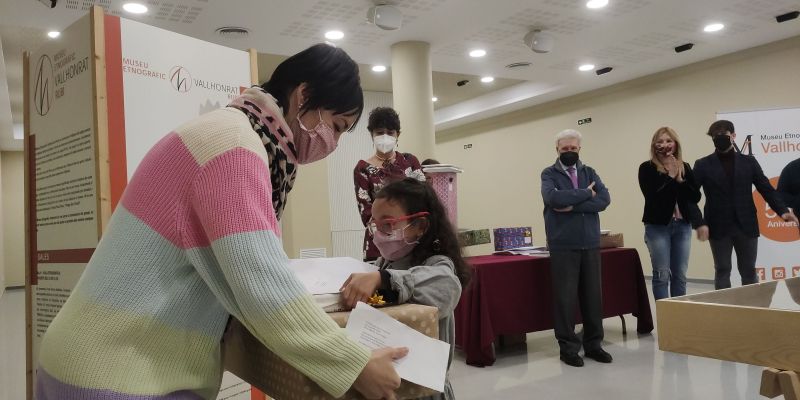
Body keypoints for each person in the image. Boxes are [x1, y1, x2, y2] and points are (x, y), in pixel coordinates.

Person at [36, 44, 407, 400]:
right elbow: (262, 284)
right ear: (303, 95)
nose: (334, 143)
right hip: (119, 375)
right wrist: (355, 364)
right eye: (337, 126)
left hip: (102, 361)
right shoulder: (233, 147)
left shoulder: (232, 133)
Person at [340, 178, 470, 400]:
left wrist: (383, 279)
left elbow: (446, 287)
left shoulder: (437, 264)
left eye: (388, 224)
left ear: (420, 226)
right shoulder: (383, 263)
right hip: (386, 384)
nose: (379, 234)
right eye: (375, 226)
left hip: (423, 390)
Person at [694, 120, 798, 289]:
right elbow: (691, 196)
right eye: (715, 136)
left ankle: (752, 311)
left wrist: (783, 211)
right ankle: (723, 311)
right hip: (717, 226)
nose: (719, 139)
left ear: (733, 136)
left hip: (746, 225)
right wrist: (699, 222)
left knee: (749, 271)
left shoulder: (749, 162)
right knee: (722, 269)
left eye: (724, 135)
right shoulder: (702, 164)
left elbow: (766, 189)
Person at [541, 129, 612, 368]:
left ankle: (594, 345)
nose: (569, 152)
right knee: (565, 299)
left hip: (590, 242)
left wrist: (573, 206)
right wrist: (585, 194)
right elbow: (553, 199)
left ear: (579, 149)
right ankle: (568, 348)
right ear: (557, 149)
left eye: (573, 148)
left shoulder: (589, 171)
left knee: (593, 297)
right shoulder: (548, 173)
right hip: (563, 245)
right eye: (564, 149)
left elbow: (604, 200)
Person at [638, 127, 703, 300]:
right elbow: (652, 196)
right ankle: (665, 319)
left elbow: (695, 196)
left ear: (675, 144)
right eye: (660, 141)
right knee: (662, 274)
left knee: (680, 275)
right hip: (658, 227)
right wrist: (670, 177)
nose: (664, 145)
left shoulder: (686, 166)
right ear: (654, 145)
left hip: (682, 225)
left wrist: (681, 180)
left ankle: (678, 319)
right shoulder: (647, 168)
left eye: (668, 141)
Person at [354, 107, 425, 261]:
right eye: (379, 132)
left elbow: (424, 200)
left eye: (390, 132)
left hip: (412, 241)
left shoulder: (410, 162)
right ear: (371, 134)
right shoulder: (362, 169)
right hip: (379, 244)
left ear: (397, 134)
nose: (385, 136)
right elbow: (366, 213)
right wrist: (390, 232)